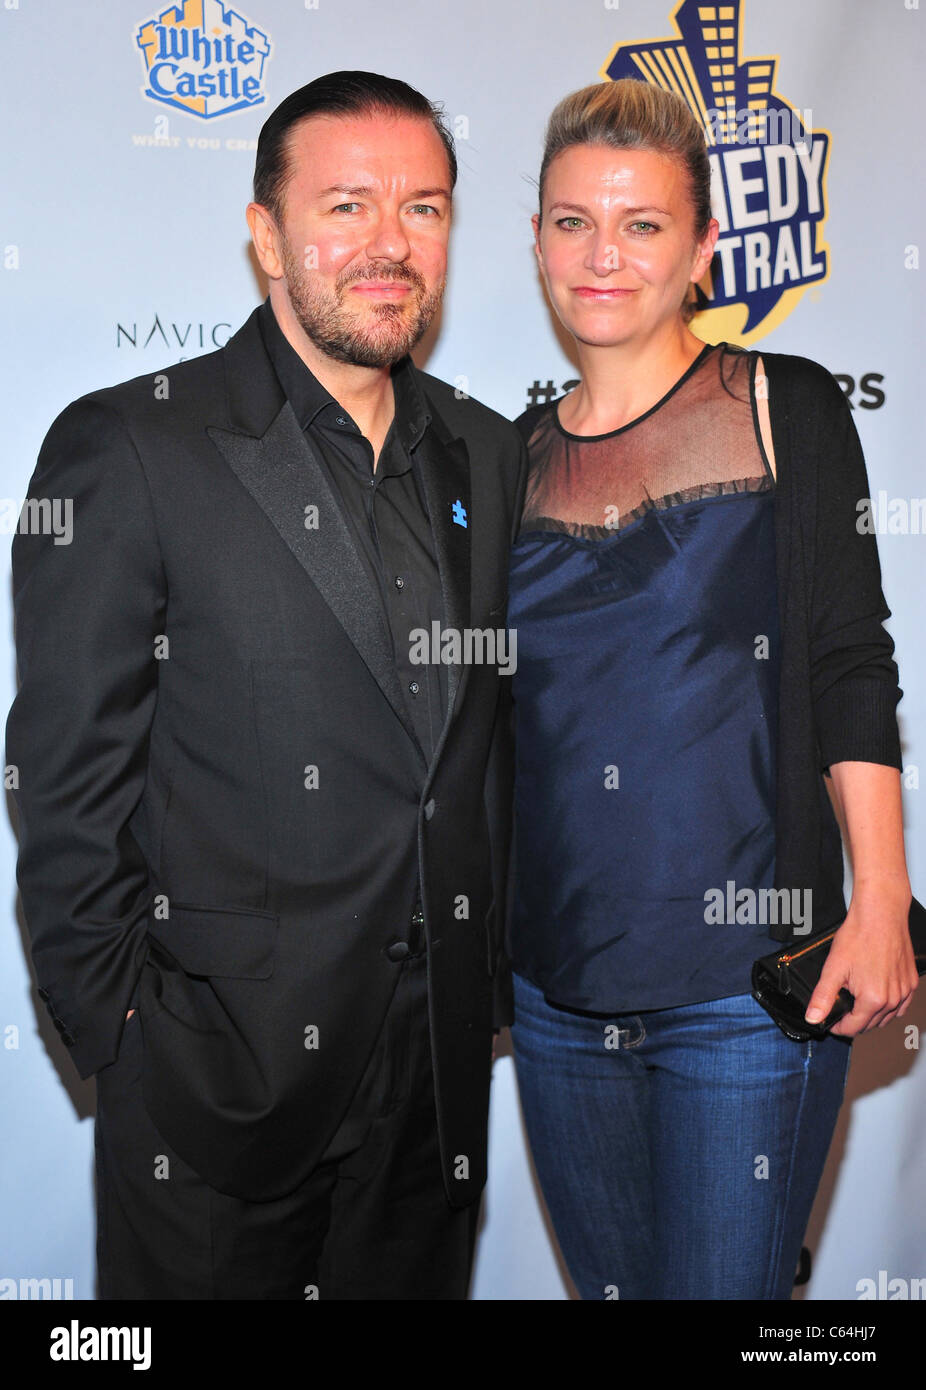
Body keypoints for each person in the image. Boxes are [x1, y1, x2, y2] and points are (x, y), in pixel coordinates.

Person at [7, 70, 526, 1300]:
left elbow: (480, 758)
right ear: (265, 234)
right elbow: (65, 781)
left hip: (434, 1087)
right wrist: (128, 1038)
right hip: (215, 1085)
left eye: (424, 208)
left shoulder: (491, 452)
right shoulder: (130, 444)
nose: (389, 244)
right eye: (346, 205)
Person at [507, 78, 917, 1301]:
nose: (602, 255)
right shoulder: (503, 456)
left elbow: (851, 659)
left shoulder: (783, 408)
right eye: (573, 220)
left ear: (702, 248)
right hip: (554, 992)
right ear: (533, 240)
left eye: (641, 224)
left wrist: (883, 894)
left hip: (748, 993)